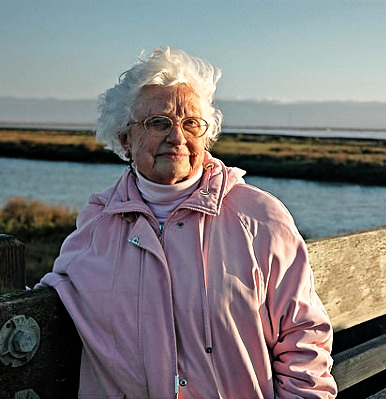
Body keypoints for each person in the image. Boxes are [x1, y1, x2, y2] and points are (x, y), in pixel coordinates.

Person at [37, 46, 337, 398]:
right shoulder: (97, 222)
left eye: (191, 123)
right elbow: (56, 291)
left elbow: (305, 337)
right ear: (125, 139)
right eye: (158, 123)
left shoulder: (260, 216)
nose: (177, 137)